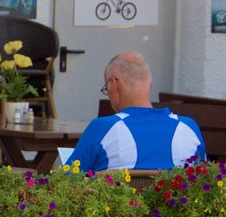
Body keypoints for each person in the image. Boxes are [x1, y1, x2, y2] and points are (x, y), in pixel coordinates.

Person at [67, 51, 206, 173]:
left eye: (106, 88)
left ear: (114, 84)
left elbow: (65, 183)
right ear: (150, 84)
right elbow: (203, 182)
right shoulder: (188, 128)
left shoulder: (103, 128)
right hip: (175, 203)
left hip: (118, 204)